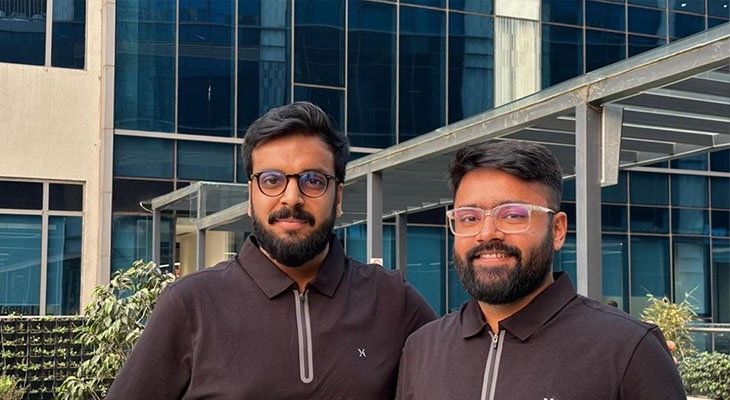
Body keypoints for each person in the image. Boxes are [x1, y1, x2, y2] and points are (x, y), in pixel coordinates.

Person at [106, 102, 436, 399]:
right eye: (272, 180)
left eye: (313, 180)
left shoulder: (392, 300)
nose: (292, 198)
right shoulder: (191, 303)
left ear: (337, 197)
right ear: (250, 196)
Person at [395, 140, 686, 400]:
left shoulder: (627, 349)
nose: (487, 233)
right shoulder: (423, 348)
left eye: (512, 215)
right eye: (469, 218)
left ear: (557, 229)